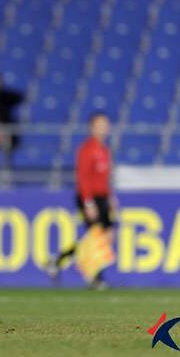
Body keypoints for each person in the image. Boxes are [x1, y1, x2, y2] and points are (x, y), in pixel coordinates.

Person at [46, 112, 117, 289]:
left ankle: (59, 259)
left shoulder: (104, 150)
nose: (103, 129)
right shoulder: (87, 149)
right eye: (100, 125)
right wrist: (88, 203)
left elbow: (104, 178)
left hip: (102, 198)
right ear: (92, 128)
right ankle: (96, 278)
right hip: (90, 198)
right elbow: (83, 178)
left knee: (105, 237)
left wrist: (110, 197)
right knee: (97, 237)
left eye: (105, 125)